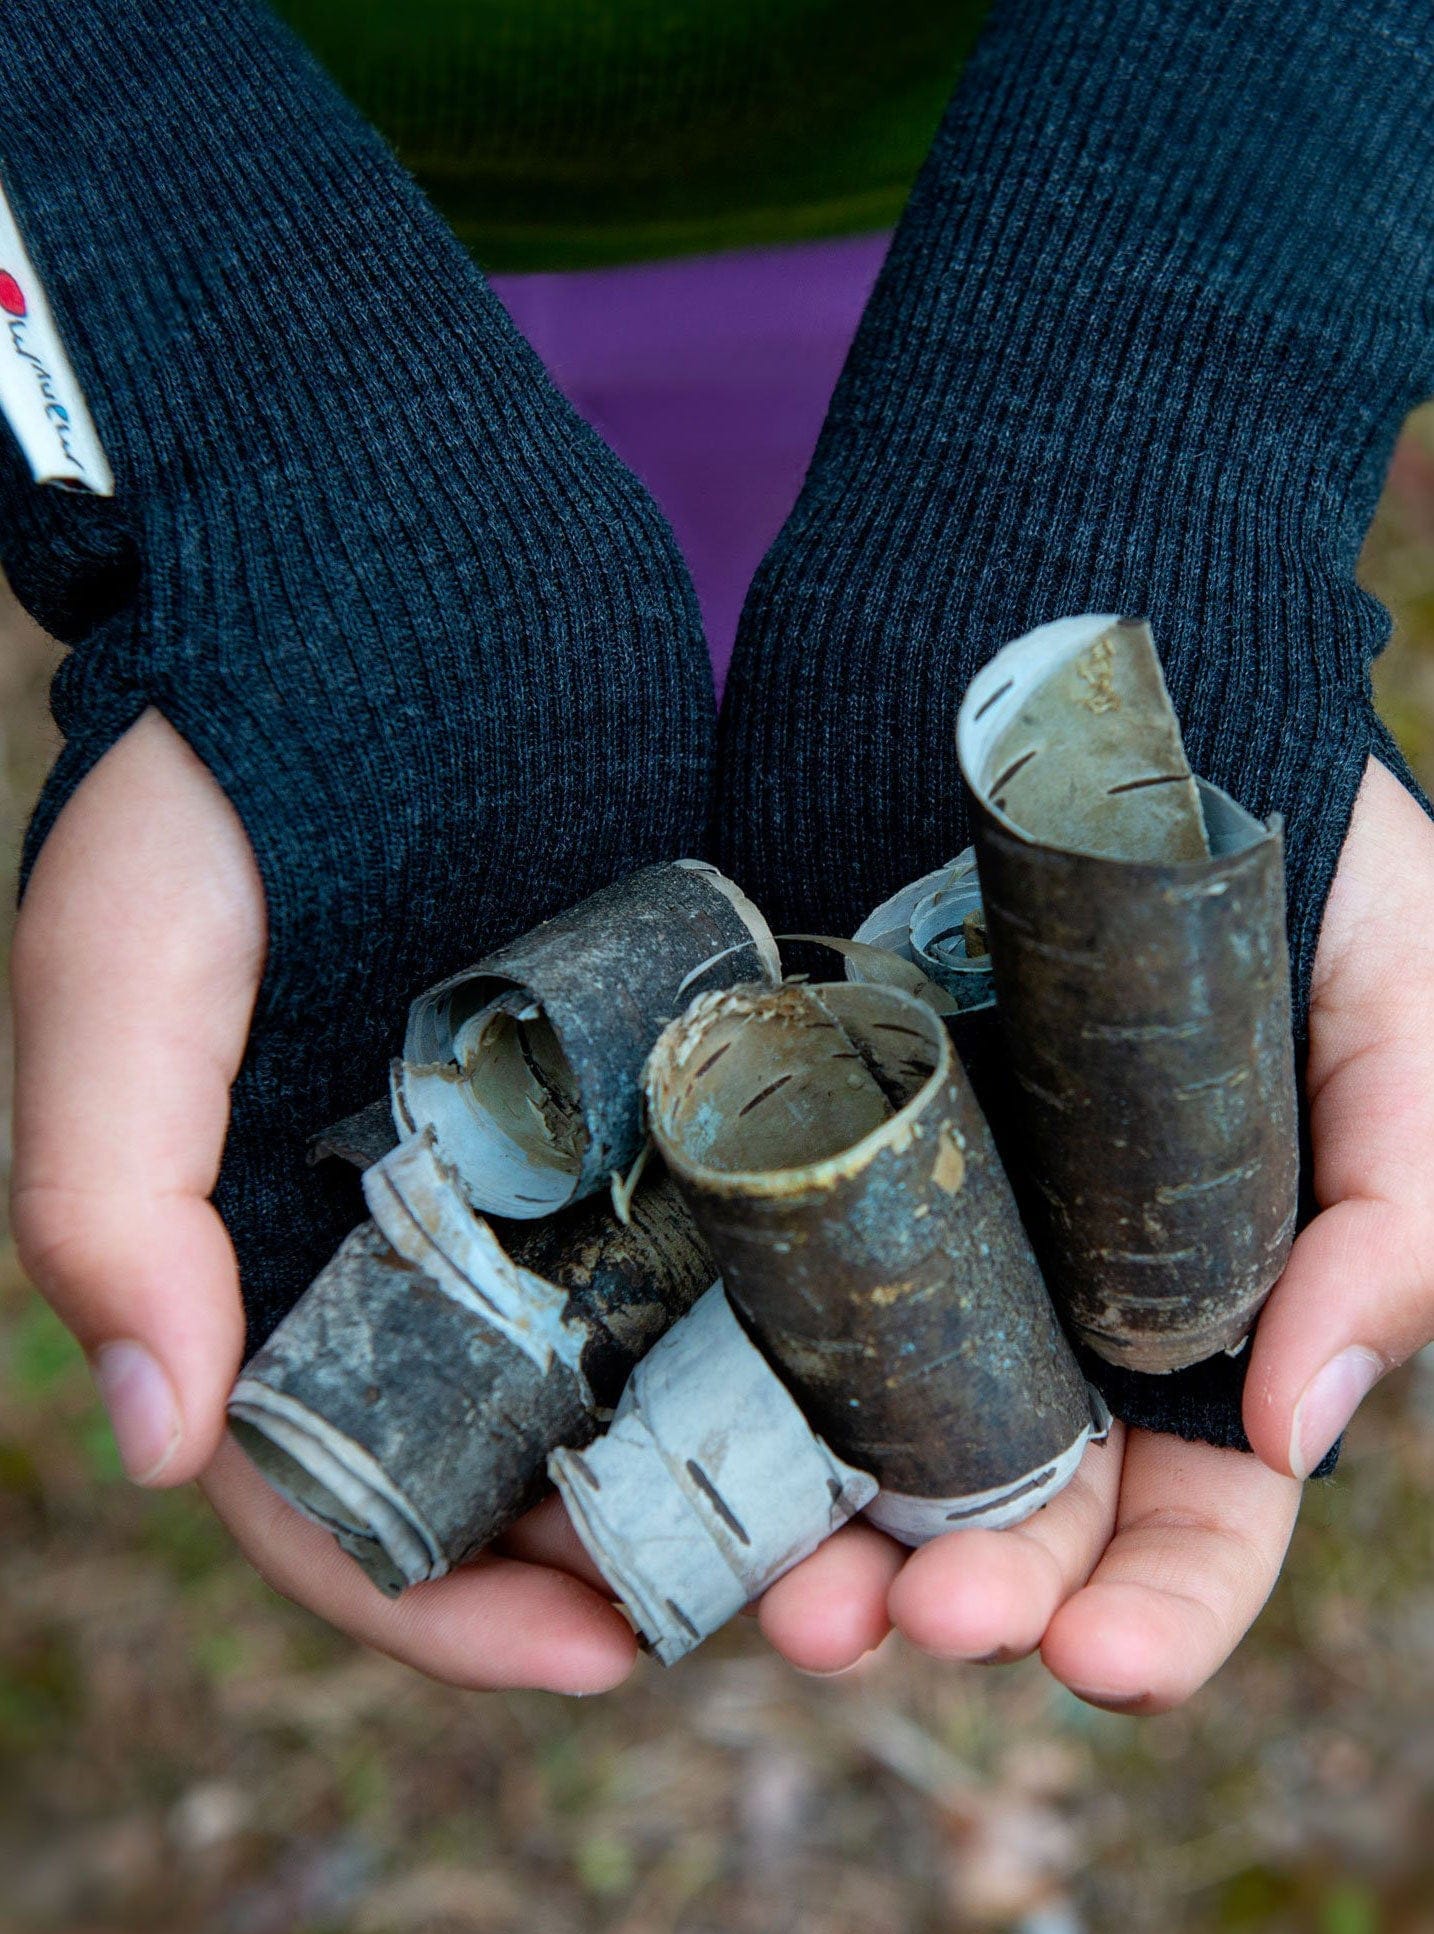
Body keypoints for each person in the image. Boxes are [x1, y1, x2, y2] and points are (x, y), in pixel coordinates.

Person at [4, 0, 1433, 1709]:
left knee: (794, 604)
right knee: (616, 619)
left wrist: (1158, 373)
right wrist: (161, 308)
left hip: (990, 206)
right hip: (263, 228)